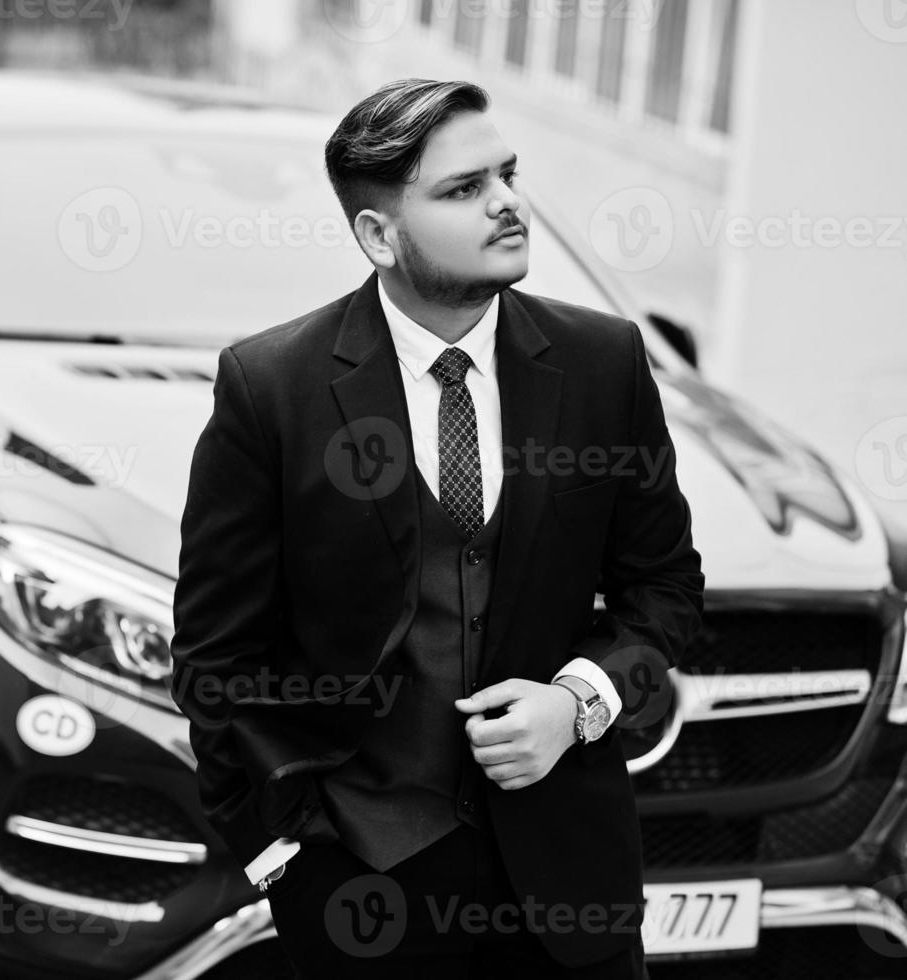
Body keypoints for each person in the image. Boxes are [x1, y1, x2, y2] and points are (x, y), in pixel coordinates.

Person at [170, 77, 704, 978]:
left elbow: (667, 594)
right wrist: (276, 854)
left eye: (507, 174)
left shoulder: (602, 363)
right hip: (357, 895)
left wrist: (576, 705)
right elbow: (216, 660)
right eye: (463, 190)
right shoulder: (273, 389)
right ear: (379, 234)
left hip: (568, 889)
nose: (506, 203)